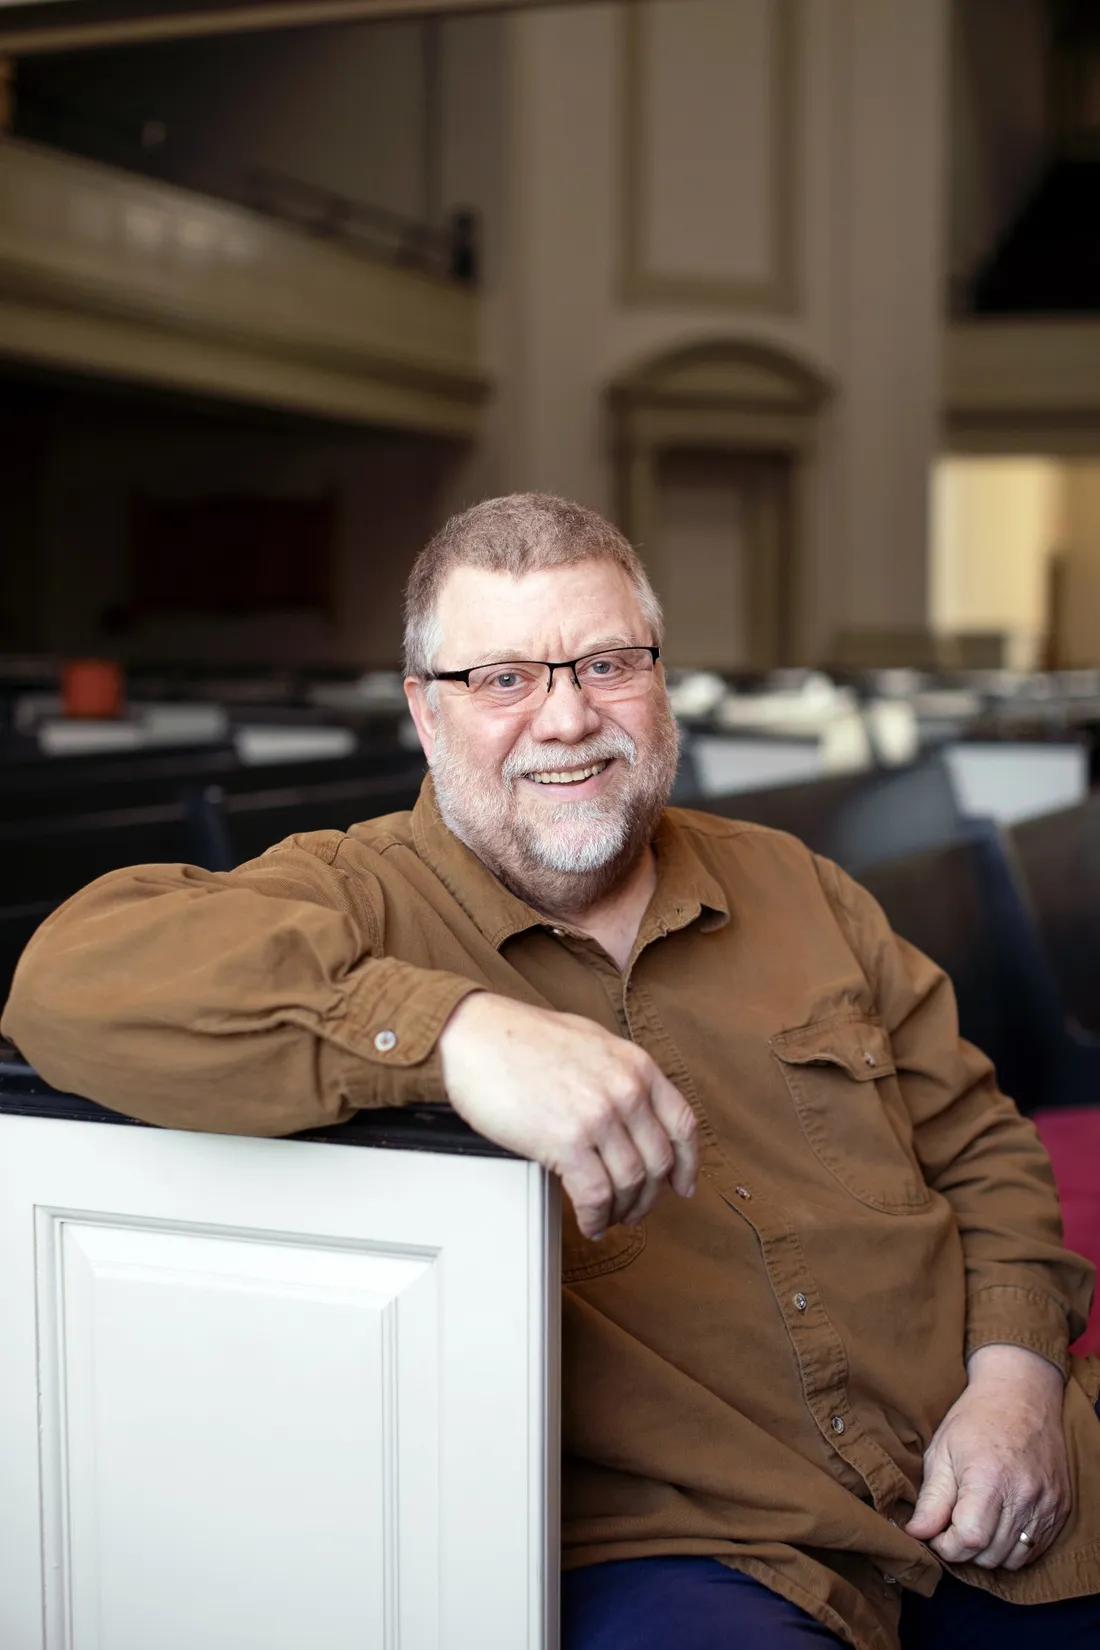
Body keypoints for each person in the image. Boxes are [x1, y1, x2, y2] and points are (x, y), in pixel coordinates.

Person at [4, 493, 1099, 1650]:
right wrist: (453, 1032)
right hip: (698, 1552)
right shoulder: (355, 894)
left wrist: (1016, 1380)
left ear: (657, 680)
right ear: (426, 715)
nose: (567, 717)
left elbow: (979, 1145)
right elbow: (73, 978)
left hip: (976, 1477)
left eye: (605, 663)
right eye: (504, 679)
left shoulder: (797, 884)